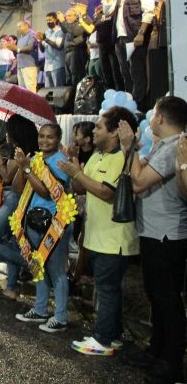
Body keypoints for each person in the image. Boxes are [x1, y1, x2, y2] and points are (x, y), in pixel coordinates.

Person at [57, 106, 138, 356]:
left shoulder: (120, 158)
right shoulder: (98, 156)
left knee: (107, 289)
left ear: (115, 133)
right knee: (107, 288)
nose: (95, 131)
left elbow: (107, 192)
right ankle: (111, 336)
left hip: (114, 239)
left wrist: (77, 172)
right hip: (97, 236)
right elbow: (81, 187)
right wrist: (74, 167)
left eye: (100, 127)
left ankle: (103, 340)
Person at [118, 96, 187, 383]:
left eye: (154, 114)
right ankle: (156, 350)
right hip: (154, 231)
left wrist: (128, 146)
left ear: (159, 118)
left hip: (167, 234)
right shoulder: (164, 146)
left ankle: (172, 361)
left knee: (167, 299)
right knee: (156, 297)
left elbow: (138, 182)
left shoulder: (175, 147)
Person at [13, 124, 72, 333]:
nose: (45, 141)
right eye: (41, 136)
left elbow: (47, 192)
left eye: (50, 137)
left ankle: (61, 316)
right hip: (33, 221)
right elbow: (18, 188)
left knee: (56, 271)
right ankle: (40, 309)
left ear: (58, 140)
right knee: (37, 267)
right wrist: (23, 167)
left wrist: (28, 169)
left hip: (55, 224)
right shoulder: (36, 159)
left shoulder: (61, 162)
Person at [0, 114, 39, 300]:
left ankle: (32, 264)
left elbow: (7, 176)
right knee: (14, 242)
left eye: (8, 130)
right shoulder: (24, 150)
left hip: (15, 200)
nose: (6, 134)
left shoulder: (21, 151)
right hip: (18, 199)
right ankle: (11, 288)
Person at [102, 0, 156, 106]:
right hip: (120, 38)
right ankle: (129, 103)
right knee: (125, 73)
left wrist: (141, 33)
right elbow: (107, 11)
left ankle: (140, 105)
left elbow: (148, 11)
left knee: (136, 72)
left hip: (134, 36)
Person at [60, 0, 94, 87]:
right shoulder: (77, 20)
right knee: (69, 78)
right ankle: (70, 98)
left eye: (75, 6)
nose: (73, 7)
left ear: (83, 7)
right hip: (69, 53)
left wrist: (63, 21)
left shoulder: (85, 19)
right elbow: (65, 30)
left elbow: (76, 32)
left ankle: (76, 98)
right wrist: (62, 21)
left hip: (77, 52)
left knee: (77, 77)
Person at [39, 12, 66, 87]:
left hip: (57, 65)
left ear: (55, 20)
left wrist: (45, 39)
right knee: (48, 91)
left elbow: (58, 46)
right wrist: (40, 41)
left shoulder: (60, 31)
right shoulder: (46, 32)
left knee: (58, 90)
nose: (48, 22)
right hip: (47, 66)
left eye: (50, 20)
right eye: (47, 20)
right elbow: (42, 50)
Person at [12, 21, 39, 92]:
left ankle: (33, 103)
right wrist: (13, 49)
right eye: (17, 27)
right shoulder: (21, 38)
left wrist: (16, 48)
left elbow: (30, 47)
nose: (18, 29)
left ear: (26, 25)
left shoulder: (32, 34)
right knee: (22, 90)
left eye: (19, 26)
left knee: (30, 89)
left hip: (29, 65)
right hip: (20, 66)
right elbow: (18, 51)